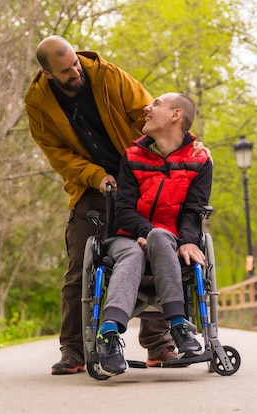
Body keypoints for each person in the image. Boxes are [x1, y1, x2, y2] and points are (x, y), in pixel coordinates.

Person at [24, 36, 208, 375]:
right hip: (93, 184)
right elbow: (58, 154)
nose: (75, 71)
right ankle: (75, 350)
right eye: (66, 71)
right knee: (82, 260)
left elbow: (148, 113)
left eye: (76, 64)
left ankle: (161, 345)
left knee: (157, 242)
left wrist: (163, 158)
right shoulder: (38, 104)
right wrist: (96, 176)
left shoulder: (108, 76)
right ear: (48, 74)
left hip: (141, 171)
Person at [96, 92, 211, 376]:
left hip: (169, 240)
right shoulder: (133, 156)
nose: (148, 107)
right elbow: (123, 209)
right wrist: (144, 231)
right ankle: (109, 335)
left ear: (176, 115)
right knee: (134, 250)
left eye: (157, 104)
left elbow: (194, 210)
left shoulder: (200, 160)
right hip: (126, 238)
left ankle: (179, 325)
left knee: (161, 236)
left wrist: (186, 241)